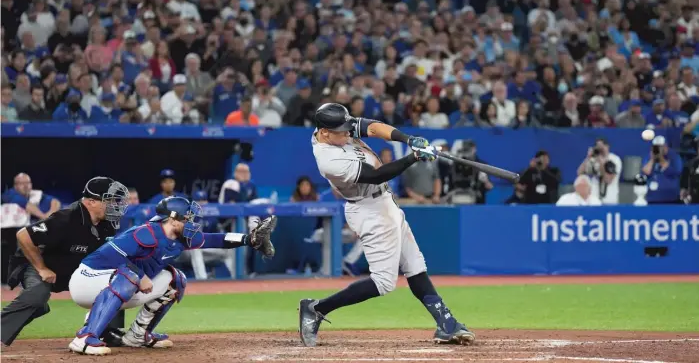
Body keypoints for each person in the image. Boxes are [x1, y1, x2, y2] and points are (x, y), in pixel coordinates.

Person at [300, 103, 475, 347]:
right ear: (325, 133)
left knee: (415, 266)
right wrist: (414, 156)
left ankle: (446, 324)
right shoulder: (328, 159)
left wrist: (409, 139)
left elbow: (372, 127)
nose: (349, 133)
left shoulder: (336, 128)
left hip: (384, 202)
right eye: (342, 131)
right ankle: (316, 308)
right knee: (383, 282)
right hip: (368, 209)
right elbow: (375, 175)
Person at [67, 197, 277, 355]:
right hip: (87, 281)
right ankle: (85, 337)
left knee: (175, 280)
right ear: (173, 219)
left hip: (118, 283)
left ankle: (137, 336)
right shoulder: (144, 233)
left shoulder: (180, 238)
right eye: (188, 218)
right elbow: (109, 256)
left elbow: (216, 239)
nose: (192, 223)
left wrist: (248, 239)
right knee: (130, 276)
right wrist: (139, 275)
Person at [1, 177, 129, 347]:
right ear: (91, 202)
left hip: (73, 268)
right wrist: (42, 268)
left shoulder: (108, 224)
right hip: (39, 264)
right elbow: (23, 236)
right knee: (37, 296)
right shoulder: (66, 218)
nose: (115, 205)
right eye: (109, 200)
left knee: (115, 279)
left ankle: (107, 330)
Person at [576, 138, 622, 205]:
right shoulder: (593, 159)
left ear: (607, 147)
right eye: (598, 147)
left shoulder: (614, 159)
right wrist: (588, 157)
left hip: (609, 199)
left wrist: (601, 163)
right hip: (594, 199)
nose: (600, 150)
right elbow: (579, 173)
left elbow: (608, 180)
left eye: (602, 147)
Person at [641, 136, 683, 204]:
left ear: (666, 146)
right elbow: (646, 172)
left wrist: (661, 159)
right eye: (656, 147)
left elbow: (676, 172)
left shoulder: (674, 157)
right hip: (653, 197)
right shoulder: (648, 157)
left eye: (661, 147)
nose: (658, 149)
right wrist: (652, 159)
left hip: (671, 197)